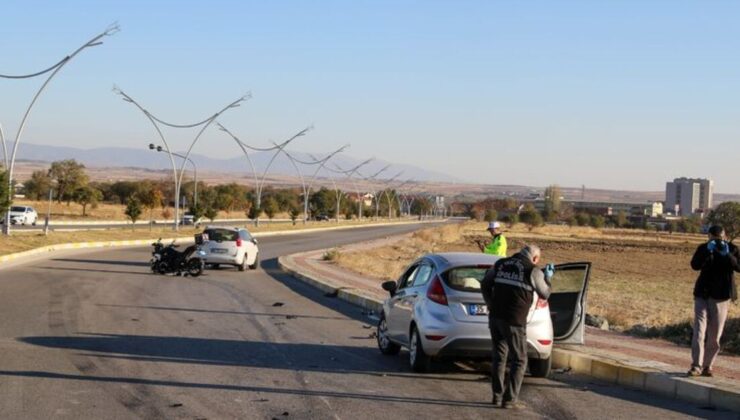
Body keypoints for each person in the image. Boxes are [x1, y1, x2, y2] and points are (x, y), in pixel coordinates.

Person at [481, 244, 553, 409]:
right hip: (514, 321)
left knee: (499, 358)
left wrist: (490, 304)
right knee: (520, 360)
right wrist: (548, 277)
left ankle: (497, 397)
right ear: (534, 258)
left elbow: (485, 284)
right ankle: (510, 399)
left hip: (496, 317)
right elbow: (545, 293)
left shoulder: (501, 264)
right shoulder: (532, 270)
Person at [687, 225, 739, 377]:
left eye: (720, 238)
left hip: (721, 296)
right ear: (708, 237)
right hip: (702, 294)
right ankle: (696, 365)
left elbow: (739, 267)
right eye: (713, 238)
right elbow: (695, 266)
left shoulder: (733, 249)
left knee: (714, 334)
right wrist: (707, 251)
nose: (716, 241)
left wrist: (727, 255)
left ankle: (707, 366)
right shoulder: (704, 248)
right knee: (699, 331)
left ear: (725, 236)